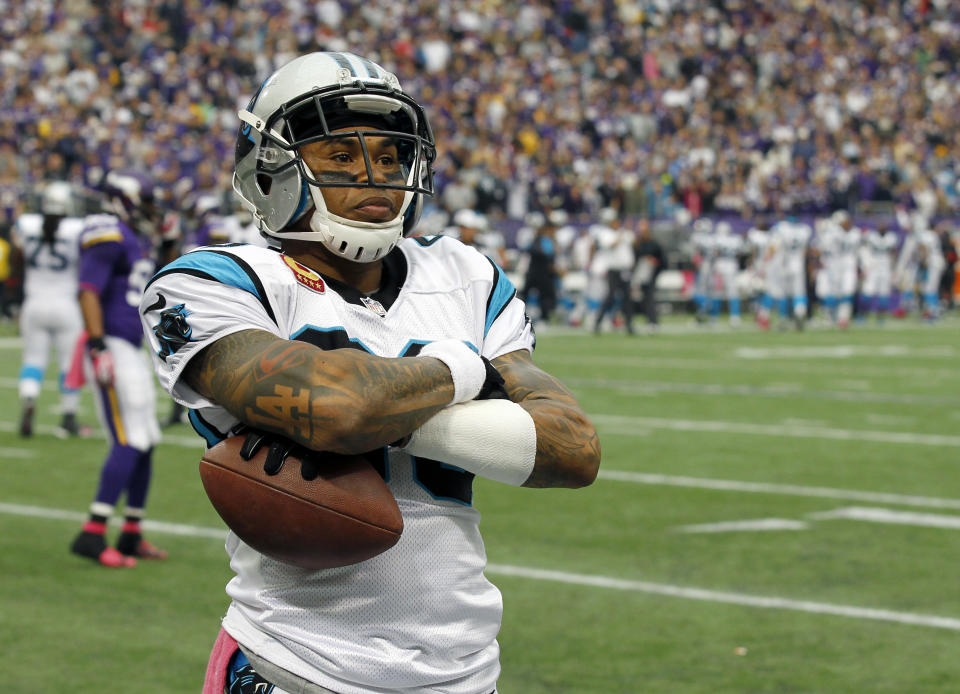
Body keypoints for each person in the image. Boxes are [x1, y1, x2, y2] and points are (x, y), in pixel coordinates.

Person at [139, 52, 600, 694]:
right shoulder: (217, 280)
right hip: (297, 664)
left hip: (465, 671)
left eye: (389, 157)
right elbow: (335, 408)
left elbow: (573, 450)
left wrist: (392, 410)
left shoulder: (464, 273)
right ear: (272, 166)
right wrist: (466, 370)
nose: (376, 176)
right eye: (342, 156)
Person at [69, 170, 170, 568]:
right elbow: (87, 290)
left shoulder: (134, 237)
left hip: (133, 346)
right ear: (122, 199)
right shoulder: (107, 233)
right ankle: (92, 533)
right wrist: (97, 344)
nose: (148, 211)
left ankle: (131, 532)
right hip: (111, 344)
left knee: (147, 438)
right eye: (143, 202)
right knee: (129, 439)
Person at [11, 182, 86, 436]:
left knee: (33, 359)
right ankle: (68, 416)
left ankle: (30, 398)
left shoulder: (27, 224)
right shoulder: (77, 229)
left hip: (34, 303)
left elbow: (18, 250)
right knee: (68, 363)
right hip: (66, 305)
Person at [520, 210, 561, 326]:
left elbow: (551, 255)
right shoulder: (537, 240)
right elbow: (535, 251)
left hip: (544, 273)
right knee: (526, 295)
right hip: (534, 272)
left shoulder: (548, 241)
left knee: (545, 297)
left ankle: (544, 318)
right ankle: (520, 317)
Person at [631, 218, 664, 329]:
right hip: (639, 275)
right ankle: (648, 319)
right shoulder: (637, 243)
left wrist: (655, 263)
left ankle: (653, 321)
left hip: (651, 275)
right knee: (642, 298)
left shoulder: (654, 244)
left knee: (649, 298)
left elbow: (662, 260)